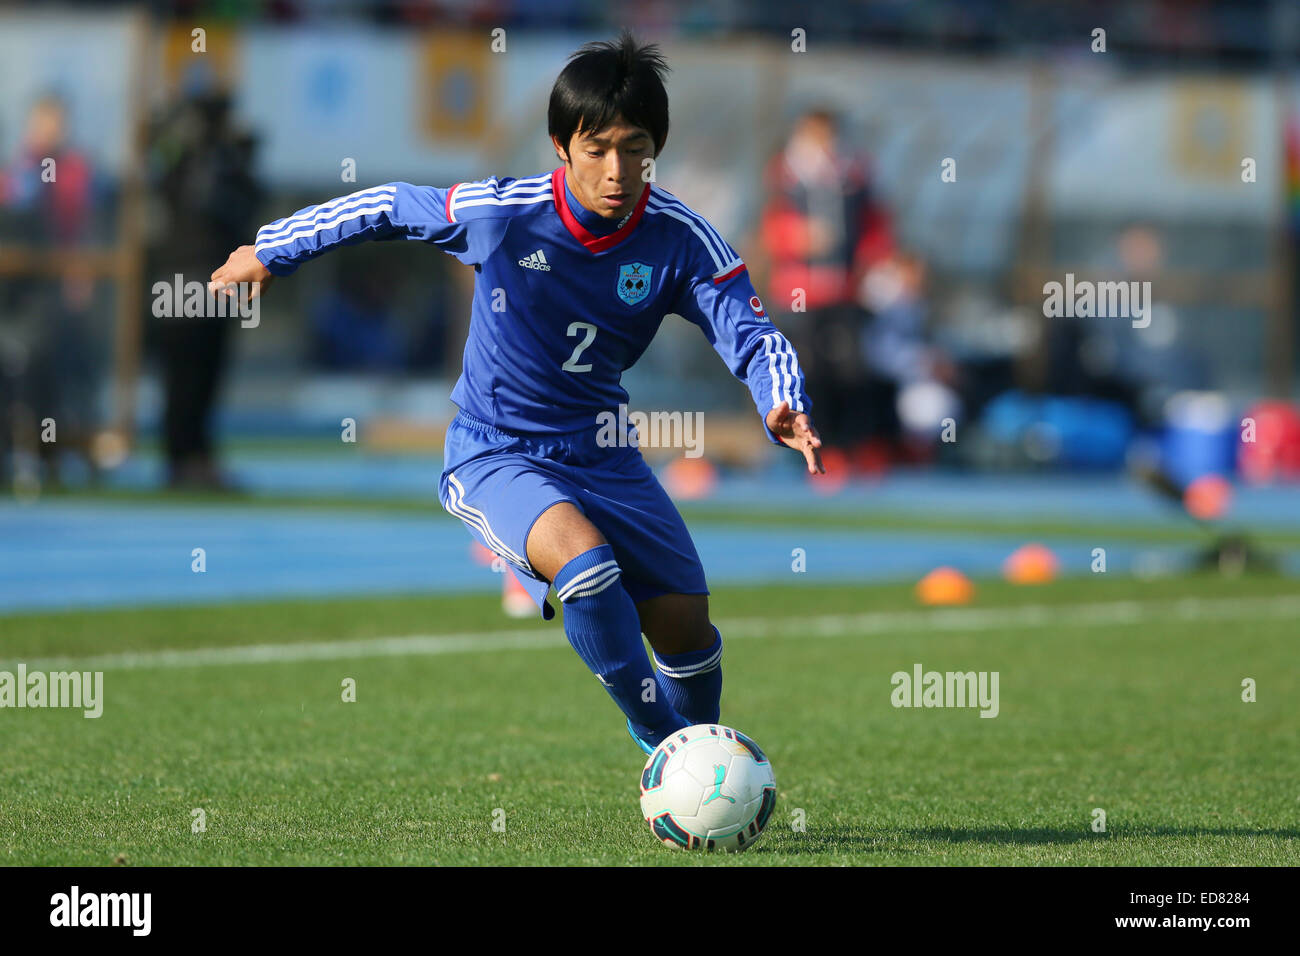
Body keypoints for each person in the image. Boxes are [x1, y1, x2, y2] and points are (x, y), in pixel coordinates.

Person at [209, 32, 823, 753]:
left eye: (635, 148)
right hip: (496, 453)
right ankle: (669, 748)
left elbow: (748, 331)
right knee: (589, 570)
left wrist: (779, 398)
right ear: (562, 145)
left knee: (686, 626)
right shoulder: (503, 213)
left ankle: (704, 747)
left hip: (604, 454)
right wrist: (272, 250)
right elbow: (387, 206)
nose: (617, 169)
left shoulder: (681, 239)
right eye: (597, 148)